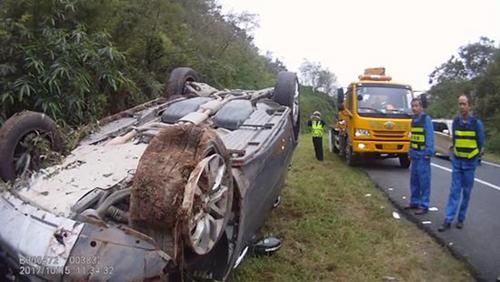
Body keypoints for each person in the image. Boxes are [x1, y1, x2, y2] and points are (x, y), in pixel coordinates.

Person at [438, 94, 485, 232]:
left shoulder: (476, 123)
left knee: (467, 192)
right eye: (460, 104)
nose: (461, 106)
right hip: (457, 162)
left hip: (470, 163)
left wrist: (475, 157)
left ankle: (461, 219)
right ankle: (448, 219)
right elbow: (455, 140)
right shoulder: (456, 122)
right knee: (454, 192)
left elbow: (480, 143)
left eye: (464, 104)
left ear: (469, 106)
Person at [404, 98, 434, 215]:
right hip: (415, 154)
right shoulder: (413, 120)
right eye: (413, 106)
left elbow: (430, 136)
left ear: (421, 107)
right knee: (414, 180)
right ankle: (414, 202)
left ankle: (424, 205)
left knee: (424, 181)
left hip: (423, 155)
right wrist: (410, 152)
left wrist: (428, 152)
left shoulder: (426, 119)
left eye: (416, 106)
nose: (414, 108)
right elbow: (412, 137)